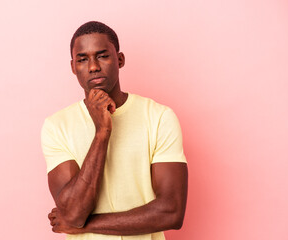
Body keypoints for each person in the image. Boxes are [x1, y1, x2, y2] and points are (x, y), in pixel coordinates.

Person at [41, 21, 188, 240]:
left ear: (120, 59)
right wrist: (102, 132)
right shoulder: (57, 126)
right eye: (83, 59)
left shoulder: (159, 117)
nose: (93, 67)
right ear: (73, 67)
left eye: (102, 56)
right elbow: (72, 212)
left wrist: (83, 225)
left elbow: (171, 211)